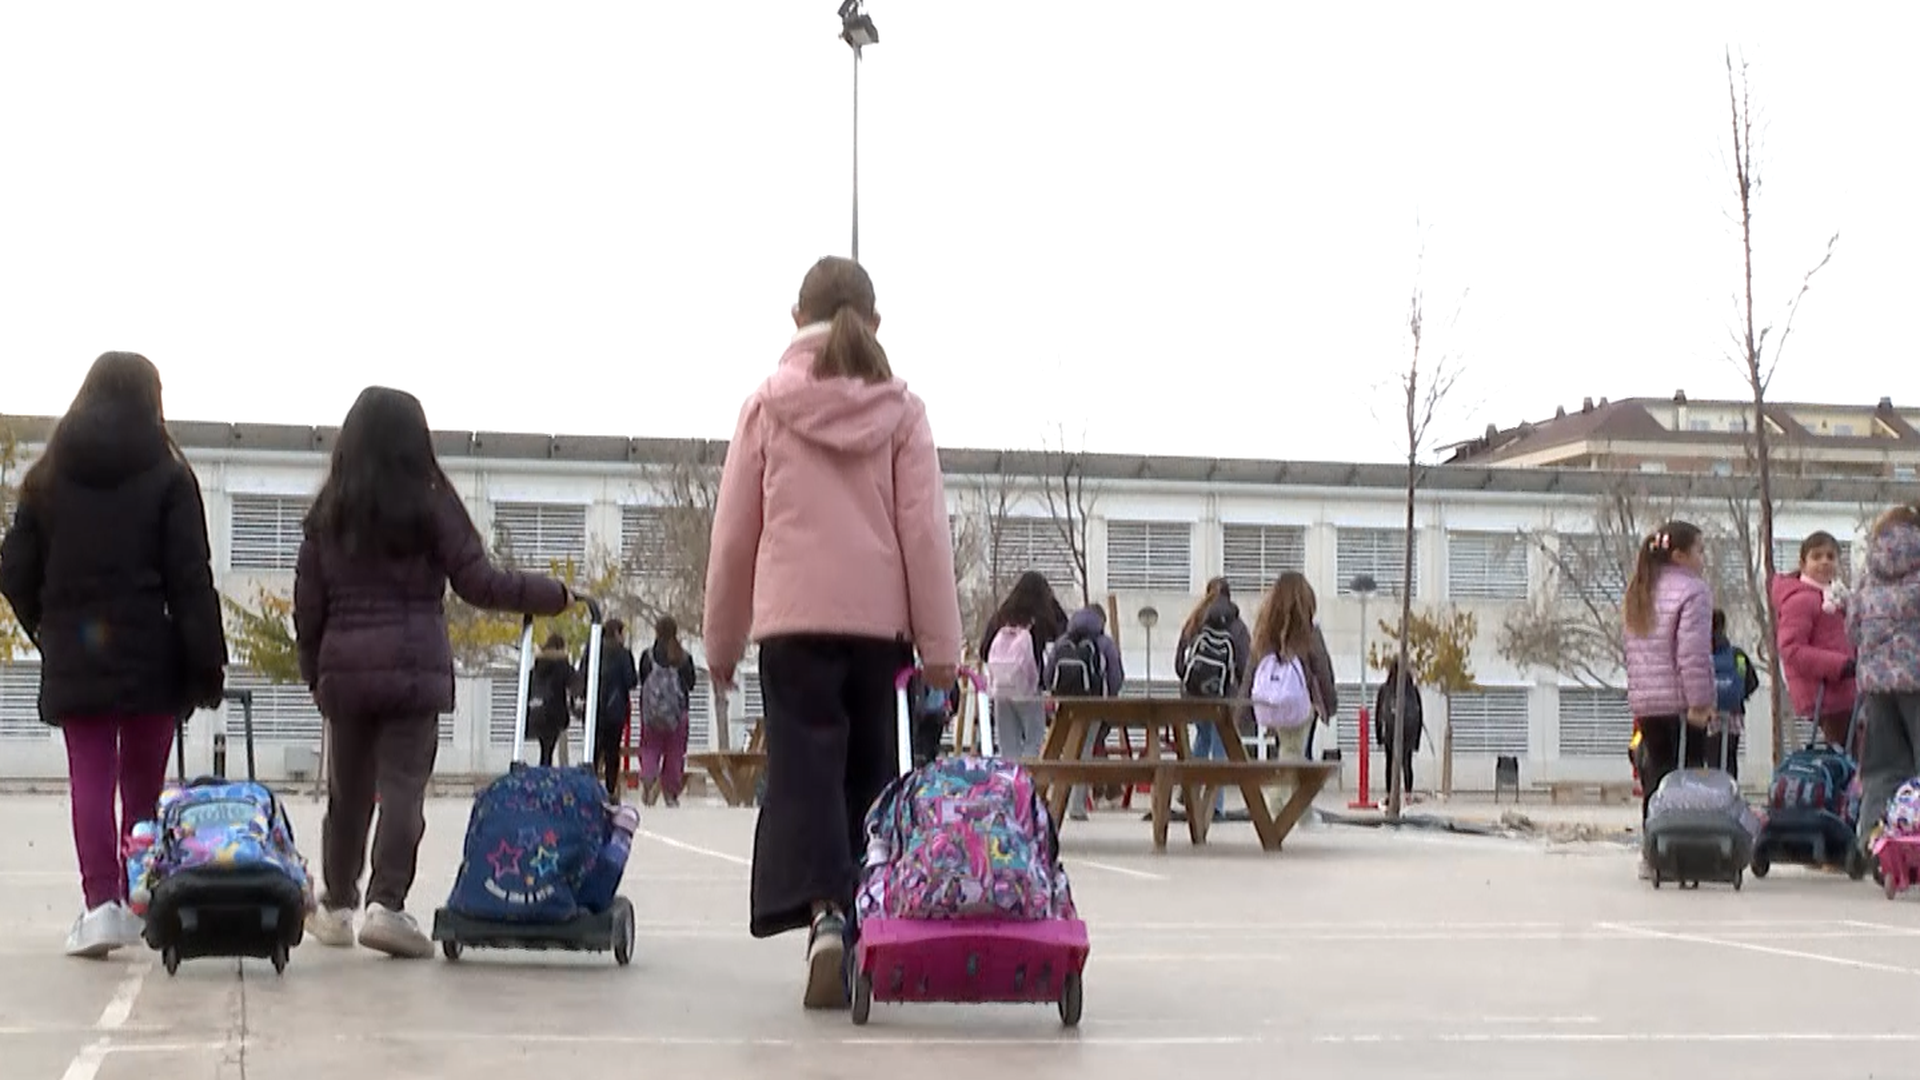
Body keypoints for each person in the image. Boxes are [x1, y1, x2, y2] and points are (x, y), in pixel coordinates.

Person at [703, 256, 963, 1009]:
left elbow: (733, 537)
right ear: (874, 324)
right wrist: (942, 651)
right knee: (871, 782)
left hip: (792, 626)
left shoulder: (765, 407)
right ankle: (872, 921)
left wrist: (720, 644)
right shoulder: (902, 412)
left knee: (805, 777)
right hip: (880, 632)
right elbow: (924, 533)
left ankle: (823, 917)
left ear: (795, 319)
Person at [294, 386, 571, 958]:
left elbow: (308, 607)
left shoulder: (329, 511)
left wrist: (315, 671)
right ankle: (387, 906)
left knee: (347, 796)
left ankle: (337, 905)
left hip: (345, 674)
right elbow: (480, 581)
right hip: (414, 669)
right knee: (402, 790)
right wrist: (553, 594)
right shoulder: (430, 500)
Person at [0, 352, 228, 958]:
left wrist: (47, 629)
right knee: (142, 783)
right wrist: (206, 661)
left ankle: (99, 905)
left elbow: (14, 568)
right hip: (152, 650)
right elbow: (190, 578)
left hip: (78, 650)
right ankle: (140, 897)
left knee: (90, 775)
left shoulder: (48, 475)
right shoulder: (171, 474)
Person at [1622, 520, 1714, 878]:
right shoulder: (1693, 591)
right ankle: (1686, 851)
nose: (1703, 559)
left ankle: (1653, 851)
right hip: (1680, 702)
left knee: (1655, 778)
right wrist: (1701, 700)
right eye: (1700, 551)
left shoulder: (1640, 589)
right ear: (1680, 555)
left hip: (1647, 703)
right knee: (1687, 780)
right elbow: (1691, 653)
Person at [1846, 505, 1920, 853]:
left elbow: (1852, 628)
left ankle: (1871, 844)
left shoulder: (1869, 574)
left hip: (1876, 685)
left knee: (1881, 768)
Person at [1771, 531, 1857, 747]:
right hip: (1824, 692)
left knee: (1853, 753)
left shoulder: (1836, 597)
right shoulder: (1801, 600)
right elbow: (1791, 648)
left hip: (1845, 690)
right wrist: (1840, 665)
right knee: (1846, 755)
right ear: (1802, 563)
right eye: (1817, 556)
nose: (1824, 562)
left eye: (1830, 556)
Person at [1175, 577, 1252, 816]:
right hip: (1223, 697)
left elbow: (1179, 663)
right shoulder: (1237, 626)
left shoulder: (1195, 620)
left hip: (1194, 695)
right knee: (1220, 745)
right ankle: (1214, 806)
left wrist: (1192, 683)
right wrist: (1237, 689)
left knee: (1202, 740)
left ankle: (1190, 795)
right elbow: (1245, 663)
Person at [1250, 572, 1329, 807]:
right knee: (1294, 751)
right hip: (1299, 700)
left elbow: (1251, 669)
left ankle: (1301, 813)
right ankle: (1276, 806)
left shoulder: (1264, 632)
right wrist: (1328, 702)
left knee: (1291, 751)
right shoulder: (1309, 632)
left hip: (1271, 702)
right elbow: (1322, 668)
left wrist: (1243, 709)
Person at [1045, 603, 1125, 819]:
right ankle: (1076, 806)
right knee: (1085, 751)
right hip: (1093, 705)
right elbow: (1116, 676)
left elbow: (1048, 673)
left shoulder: (1063, 641)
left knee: (1064, 752)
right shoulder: (1104, 643)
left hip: (1065, 707)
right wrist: (1110, 700)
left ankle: (1058, 803)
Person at [977, 571, 1067, 763]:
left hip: (1001, 689)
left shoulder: (1001, 617)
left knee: (1007, 747)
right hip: (1028, 689)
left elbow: (983, 650)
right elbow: (1063, 631)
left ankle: (1010, 788)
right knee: (1033, 743)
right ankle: (1026, 785)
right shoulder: (1041, 619)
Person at [634, 616, 696, 807]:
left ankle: (648, 780)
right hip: (678, 714)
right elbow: (691, 684)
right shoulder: (683, 657)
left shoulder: (648, 656)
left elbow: (643, 680)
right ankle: (670, 793)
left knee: (650, 748)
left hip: (651, 714)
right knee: (675, 753)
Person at [587, 618, 639, 800]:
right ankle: (610, 790)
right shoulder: (623, 654)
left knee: (594, 750)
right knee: (612, 752)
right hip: (615, 709)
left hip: (594, 708)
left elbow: (582, 674)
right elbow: (631, 680)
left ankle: (589, 788)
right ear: (617, 633)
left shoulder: (592, 650)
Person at [1707, 609, 1760, 779]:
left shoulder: (1700, 655)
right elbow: (1751, 682)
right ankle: (1730, 793)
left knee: (1710, 762)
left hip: (1706, 716)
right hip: (1733, 716)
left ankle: (1709, 799)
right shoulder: (1737, 655)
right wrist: (1739, 696)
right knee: (1730, 760)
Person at [1373, 658, 1423, 798]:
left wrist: (1379, 738)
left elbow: (1378, 715)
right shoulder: (1412, 690)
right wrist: (1417, 741)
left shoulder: (1385, 689)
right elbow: (1420, 715)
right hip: (1409, 733)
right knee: (1407, 763)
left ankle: (1390, 794)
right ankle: (1408, 793)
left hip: (1390, 733)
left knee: (1389, 763)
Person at [528, 632, 574, 767]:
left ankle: (543, 773)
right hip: (554, 712)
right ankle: (545, 777)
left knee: (545, 749)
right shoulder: (561, 665)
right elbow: (573, 681)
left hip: (537, 710)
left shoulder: (538, 665)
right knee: (548, 750)